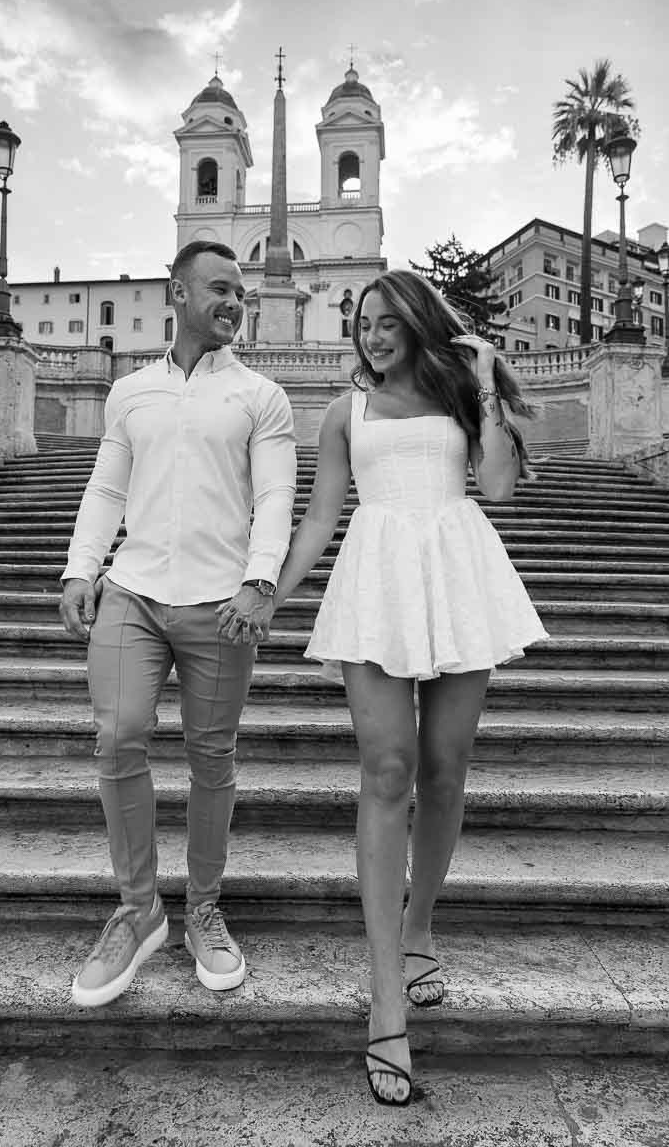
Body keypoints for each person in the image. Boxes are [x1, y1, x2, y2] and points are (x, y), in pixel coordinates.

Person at [220, 269, 546, 1106]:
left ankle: (421, 927)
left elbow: (500, 488)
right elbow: (321, 517)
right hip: (375, 577)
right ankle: (385, 999)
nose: (371, 334)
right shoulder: (342, 411)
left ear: (416, 320)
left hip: (457, 568)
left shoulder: (460, 397)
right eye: (360, 322)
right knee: (387, 771)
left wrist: (482, 380)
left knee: (444, 767)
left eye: (384, 319)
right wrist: (267, 593)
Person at [59, 240, 296, 1008]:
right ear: (178, 292)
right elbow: (105, 488)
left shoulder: (263, 396)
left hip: (220, 600)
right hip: (132, 590)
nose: (234, 302)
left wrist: (262, 581)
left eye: (241, 294)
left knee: (211, 757)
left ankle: (201, 908)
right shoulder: (129, 392)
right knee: (119, 735)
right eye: (220, 289)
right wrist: (79, 568)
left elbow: (275, 500)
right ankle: (138, 910)